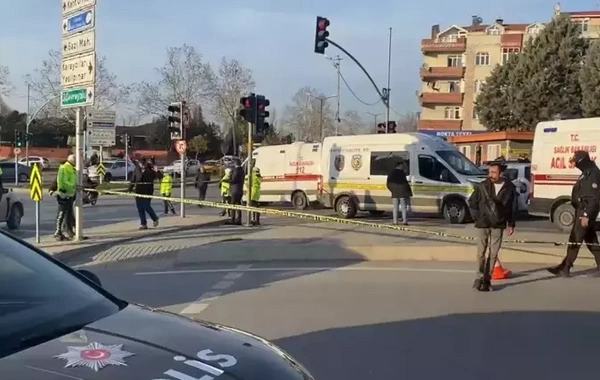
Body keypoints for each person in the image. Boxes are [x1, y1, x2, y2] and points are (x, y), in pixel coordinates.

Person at [548, 150, 600, 277]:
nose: (575, 164)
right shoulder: (587, 172)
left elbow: (593, 199)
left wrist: (586, 215)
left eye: (576, 161)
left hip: (585, 212)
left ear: (583, 161)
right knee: (591, 240)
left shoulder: (593, 174)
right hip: (581, 211)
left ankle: (565, 268)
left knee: (575, 240)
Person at [468, 161, 516, 292]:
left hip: (498, 224)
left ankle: (487, 280)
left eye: (494, 172)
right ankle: (479, 277)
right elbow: (472, 203)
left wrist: (511, 224)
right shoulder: (482, 186)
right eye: (490, 172)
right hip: (483, 223)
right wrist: (477, 218)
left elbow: (512, 207)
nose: (491, 175)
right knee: (481, 252)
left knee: (493, 253)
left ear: (501, 173)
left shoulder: (510, 188)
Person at [128, 158, 161, 230]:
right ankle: (143, 224)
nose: (142, 165)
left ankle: (155, 218)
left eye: (143, 164)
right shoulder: (137, 169)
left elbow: (160, 177)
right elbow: (133, 179)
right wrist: (130, 189)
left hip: (147, 191)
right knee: (140, 208)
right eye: (140, 164)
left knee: (146, 206)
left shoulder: (150, 169)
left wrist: (157, 171)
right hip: (139, 191)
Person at [54, 154, 77, 241]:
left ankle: (68, 231)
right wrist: (73, 187)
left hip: (70, 195)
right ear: (72, 160)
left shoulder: (72, 169)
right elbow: (62, 181)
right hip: (64, 194)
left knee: (68, 214)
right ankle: (58, 232)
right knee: (61, 213)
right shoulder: (64, 168)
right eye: (75, 160)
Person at [386, 160, 412, 225]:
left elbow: (388, 184)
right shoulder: (402, 173)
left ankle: (395, 222)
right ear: (399, 166)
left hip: (394, 193)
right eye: (402, 166)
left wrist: (392, 190)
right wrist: (409, 192)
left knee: (395, 208)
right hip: (402, 192)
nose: (403, 167)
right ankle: (405, 221)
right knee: (403, 207)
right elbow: (405, 183)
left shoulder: (391, 173)